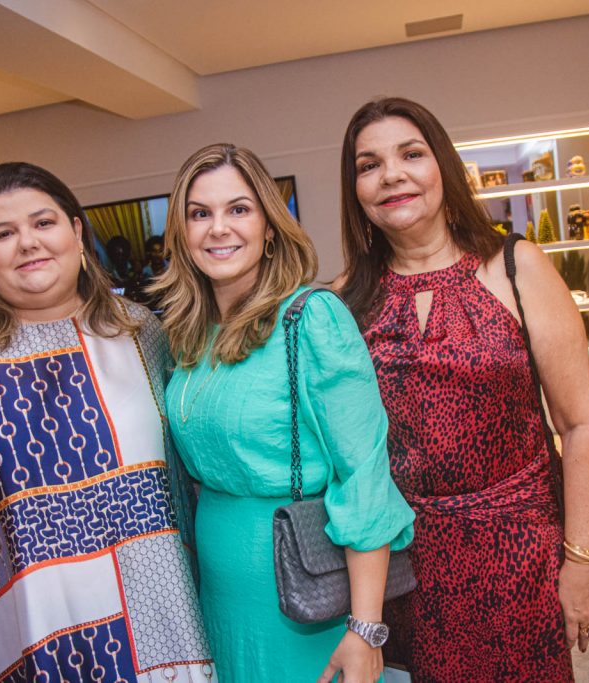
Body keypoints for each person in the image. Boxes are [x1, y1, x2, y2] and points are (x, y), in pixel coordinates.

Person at [0, 162, 214, 683]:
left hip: (163, 626)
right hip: (21, 635)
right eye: (4, 234)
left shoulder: (143, 333)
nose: (27, 243)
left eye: (43, 223)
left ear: (77, 232)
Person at [336, 98, 589, 682]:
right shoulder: (344, 302)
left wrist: (583, 560)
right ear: (355, 190)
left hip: (522, 554)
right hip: (406, 566)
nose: (391, 175)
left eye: (411, 154)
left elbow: (580, 423)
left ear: (444, 167)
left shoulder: (517, 267)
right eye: (368, 164)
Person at [151, 143, 414, 682]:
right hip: (215, 595)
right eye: (200, 213)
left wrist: (365, 629)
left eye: (239, 209)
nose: (218, 228)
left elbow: (362, 475)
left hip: (301, 597)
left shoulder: (311, 318)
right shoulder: (189, 334)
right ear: (181, 232)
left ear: (270, 226)